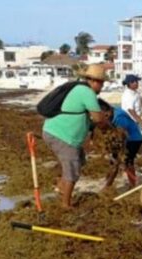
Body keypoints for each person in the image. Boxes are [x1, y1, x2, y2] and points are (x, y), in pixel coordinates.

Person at [41, 63, 110, 208]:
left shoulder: (80, 89)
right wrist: (108, 128)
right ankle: (65, 204)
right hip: (63, 136)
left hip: (60, 134)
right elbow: (98, 119)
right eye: (101, 83)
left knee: (78, 161)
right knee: (72, 169)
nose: (102, 87)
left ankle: (61, 186)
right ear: (94, 81)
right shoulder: (87, 92)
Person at [96, 99, 142, 189]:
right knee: (114, 162)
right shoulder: (112, 113)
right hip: (123, 139)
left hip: (133, 140)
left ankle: (133, 184)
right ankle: (108, 183)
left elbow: (123, 137)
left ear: (107, 112)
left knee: (127, 163)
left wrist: (120, 156)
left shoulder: (119, 118)